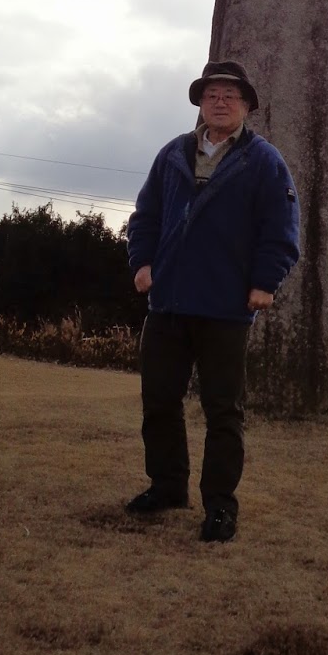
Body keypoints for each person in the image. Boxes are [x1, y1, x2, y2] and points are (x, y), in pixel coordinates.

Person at [125, 58, 300, 542]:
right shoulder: (172, 154)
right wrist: (142, 264)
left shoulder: (263, 160)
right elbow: (145, 217)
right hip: (169, 304)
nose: (219, 102)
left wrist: (266, 281)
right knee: (159, 400)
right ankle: (166, 486)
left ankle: (221, 505)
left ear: (246, 106)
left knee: (224, 410)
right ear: (200, 103)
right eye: (211, 94)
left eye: (230, 95)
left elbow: (282, 230)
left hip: (226, 307)